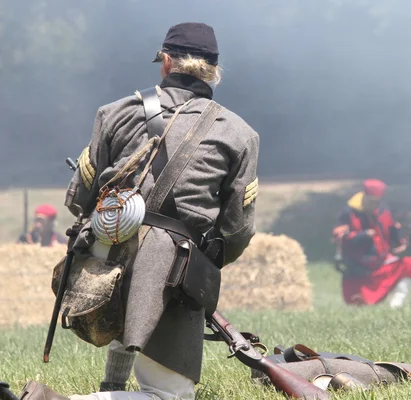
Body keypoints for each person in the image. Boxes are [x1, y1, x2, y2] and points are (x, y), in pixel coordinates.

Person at [21, 22, 260, 400]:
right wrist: (203, 266)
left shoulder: (115, 112)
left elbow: (79, 198)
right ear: (214, 70)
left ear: (166, 62)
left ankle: (112, 385)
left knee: (131, 292)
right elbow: (237, 228)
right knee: (170, 396)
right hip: (169, 263)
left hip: (103, 249)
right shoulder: (238, 132)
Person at [332, 179, 411, 308]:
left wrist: (400, 240)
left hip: (380, 263)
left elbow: (390, 229)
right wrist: (363, 235)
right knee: (357, 303)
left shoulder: (383, 210)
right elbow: (339, 236)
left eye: (377, 202)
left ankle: (397, 303)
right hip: (358, 269)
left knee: (410, 264)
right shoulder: (349, 213)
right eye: (371, 201)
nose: (374, 205)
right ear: (364, 196)